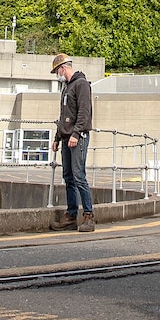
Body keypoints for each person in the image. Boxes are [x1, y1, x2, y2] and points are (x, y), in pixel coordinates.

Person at [50, 54, 95, 232]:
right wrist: (57, 137)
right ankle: (71, 214)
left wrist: (76, 133)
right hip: (67, 137)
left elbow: (85, 112)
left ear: (63, 68)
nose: (56, 75)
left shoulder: (81, 84)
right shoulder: (66, 88)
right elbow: (63, 115)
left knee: (79, 175)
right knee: (68, 176)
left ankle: (89, 215)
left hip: (78, 137)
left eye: (56, 71)